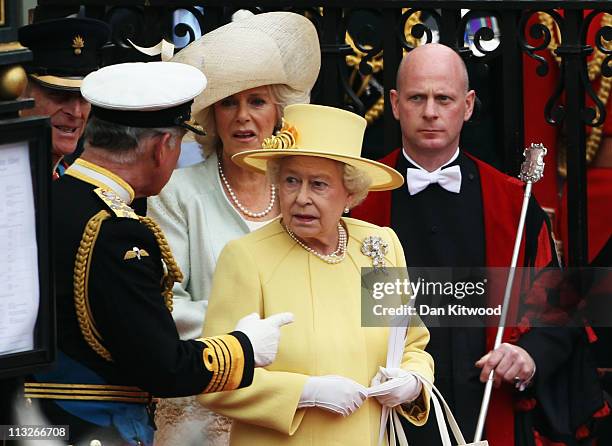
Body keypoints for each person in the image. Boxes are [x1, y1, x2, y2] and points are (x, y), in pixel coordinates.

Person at [24, 61, 293, 446]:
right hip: (96, 427)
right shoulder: (120, 228)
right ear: (163, 147)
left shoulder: (48, 197)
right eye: (230, 104)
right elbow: (161, 364)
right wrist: (243, 346)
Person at [352, 43, 606, 445]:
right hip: (381, 411)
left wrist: (528, 355)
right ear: (396, 104)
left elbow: (562, 307)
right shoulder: (358, 202)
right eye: (418, 98)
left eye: (444, 98)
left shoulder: (515, 203)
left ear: (467, 106)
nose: (431, 111)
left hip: (490, 410)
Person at [197, 103, 434, 445]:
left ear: (350, 193)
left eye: (319, 184)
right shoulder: (248, 258)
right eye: (292, 180)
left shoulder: (377, 246)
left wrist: (413, 381)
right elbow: (214, 377)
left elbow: (411, 344)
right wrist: (305, 392)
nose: (301, 198)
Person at [145, 11, 320, 445]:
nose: (243, 117)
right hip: (207, 411)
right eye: (229, 102)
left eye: (256, 101)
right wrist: (249, 332)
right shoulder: (177, 193)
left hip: (298, 407)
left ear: (279, 112)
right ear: (211, 116)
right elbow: (168, 306)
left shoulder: (305, 194)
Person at [18, 16, 110, 179]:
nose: (75, 112)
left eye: (83, 98)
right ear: (20, 94)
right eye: (59, 95)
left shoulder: (69, 179)